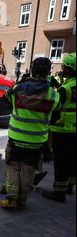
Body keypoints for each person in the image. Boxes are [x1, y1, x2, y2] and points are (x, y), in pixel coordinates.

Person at [0, 57, 60, 210]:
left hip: (16, 137)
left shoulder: (18, 89)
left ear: (32, 70)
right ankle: (22, 199)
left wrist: (21, 82)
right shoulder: (53, 95)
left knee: (13, 166)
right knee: (29, 170)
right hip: (36, 140)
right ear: (48, 72)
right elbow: (56, 114)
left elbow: (6, 98)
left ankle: (11, 197)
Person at [42, 53, 76, 202]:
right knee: (72, 159)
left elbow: (54, 106)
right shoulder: (68, 86)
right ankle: (69, 186)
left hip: (62, 130)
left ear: (67, 69)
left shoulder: (64, 89)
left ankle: (59, 192)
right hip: (75, 129)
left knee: (61, 162)